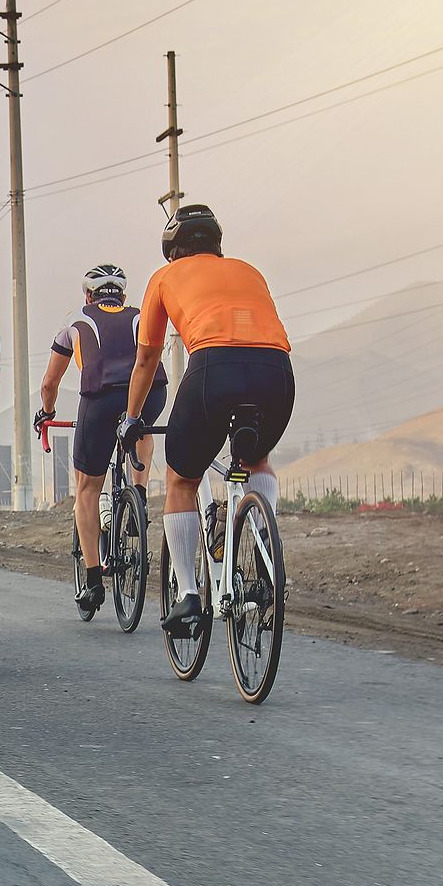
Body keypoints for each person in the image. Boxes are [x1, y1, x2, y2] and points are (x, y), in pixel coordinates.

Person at [119, 202, 295, 636]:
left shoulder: (163, 278)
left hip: (215, 367)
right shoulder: (249, 271)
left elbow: (146, 358)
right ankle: (262, 554)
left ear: (173, 250)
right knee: (257, 460)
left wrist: (132, 418)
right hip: (277, 372)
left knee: (182, 479)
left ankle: (188, 597)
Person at [34, 263, 156, 619]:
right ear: (123, 296)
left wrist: (47, 411)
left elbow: (48, 383)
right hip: (147, 391)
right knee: (142, 424)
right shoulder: (139, 316)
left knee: (87, 489)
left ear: (88, 296)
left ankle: (92, 580)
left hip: (100, 399)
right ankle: (140, 493)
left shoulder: (74, 321)